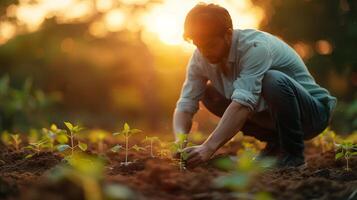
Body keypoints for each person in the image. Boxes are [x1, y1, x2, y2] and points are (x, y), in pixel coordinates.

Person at [172, 3, 337, 168]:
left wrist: (208, 148)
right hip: (272, 118)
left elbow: (242, 105)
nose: (204, 52)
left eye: (210, 45)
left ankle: (293, 156)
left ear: (228, 34)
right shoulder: (200, 57)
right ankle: (275, 145)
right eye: (198, 45)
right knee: (209, 94)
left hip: (312, 115)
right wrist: (179, 142)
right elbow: (186, 105)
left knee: (271, 80)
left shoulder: (255, 47)